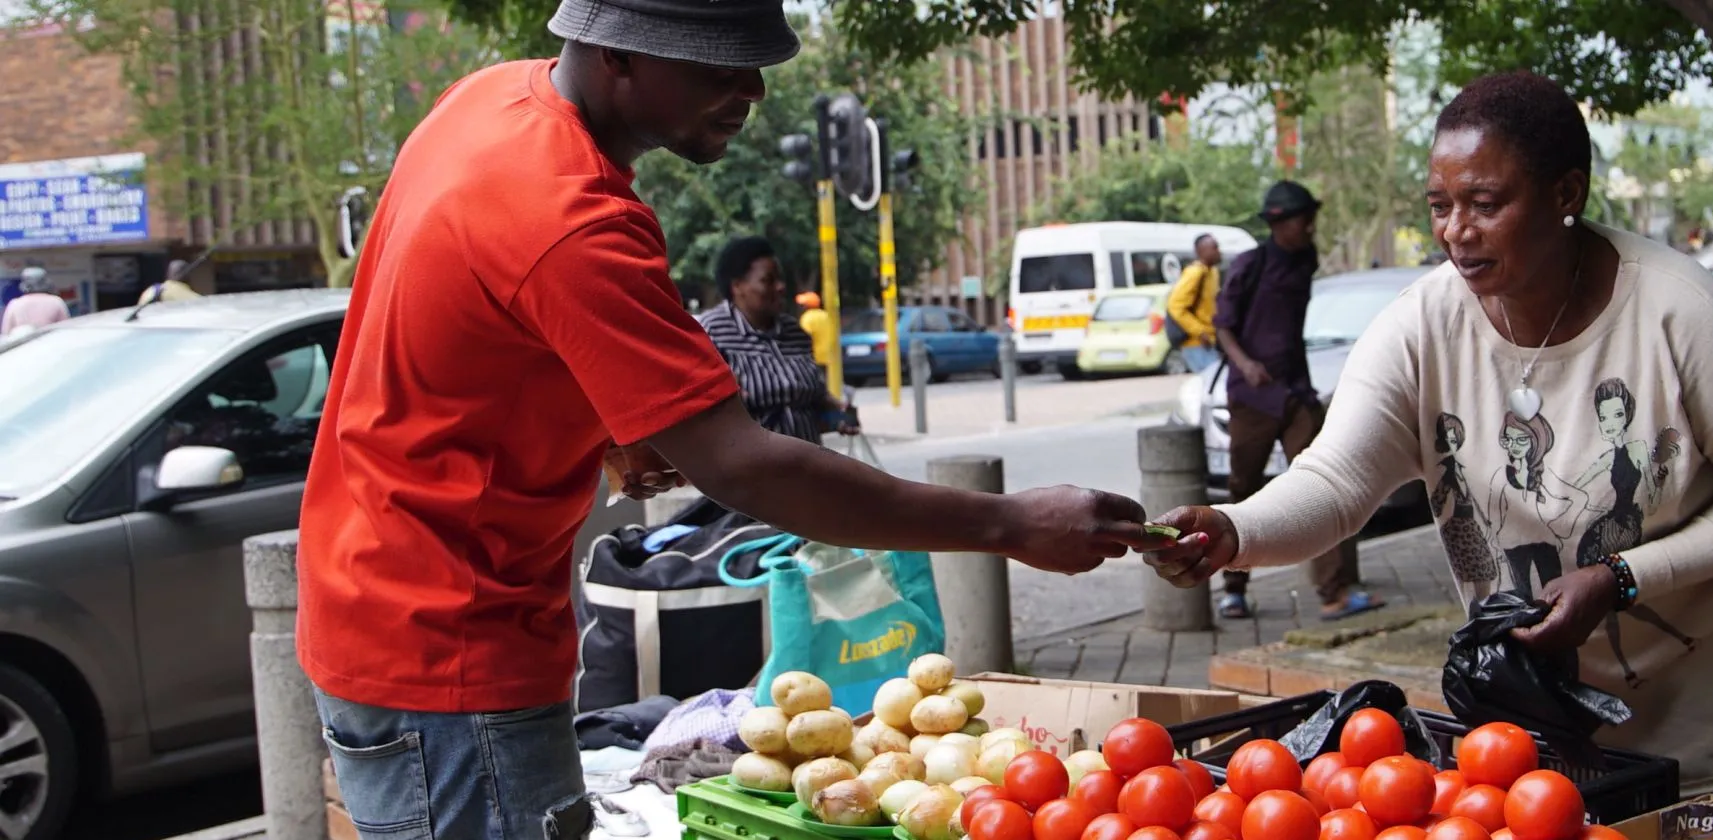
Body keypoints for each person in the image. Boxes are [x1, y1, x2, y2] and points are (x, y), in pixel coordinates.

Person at [294, 2, 1171, 837]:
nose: (750, 90)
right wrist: (1011, 521)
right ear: (618, 54)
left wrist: (606, 423)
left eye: (754, 62)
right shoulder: (569, 216)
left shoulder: (489, 102)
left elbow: (475, 328)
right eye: (717, 62)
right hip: (447, 649)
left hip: (375, 600)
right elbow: (744, 464)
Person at [1144, 71, 1713, 813]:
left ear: (1567, 194)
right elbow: (1338, 480)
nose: (1456, 230)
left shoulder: (1681, 313)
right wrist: (1235, 530)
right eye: (1440, 205)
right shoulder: (1421, 326)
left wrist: (1621, 577)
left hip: (1705, 684)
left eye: (1485, 204)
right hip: (1534, 702)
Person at [1210, 181, 1375, 621]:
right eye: (1304, 221)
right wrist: (1245, 364)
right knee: (1242, 490)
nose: (1310, 229)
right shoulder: (1249, 265)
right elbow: (1223, 325)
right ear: (1280, 223)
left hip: (1297, 392)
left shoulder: (1306, 260)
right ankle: (1234, 589)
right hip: (1253, 398)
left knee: (1322, 484)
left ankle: (1333, 591)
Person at [698, 236, 855, 442]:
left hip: (807, 466)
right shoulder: (711, 333)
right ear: (737, 286)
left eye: (780, 279)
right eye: (768, 280)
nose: (780, 287)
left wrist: (838, 413)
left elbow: (810, 398)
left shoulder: (795, 333)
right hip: (750, 468)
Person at [1167, 234, 1223, 371]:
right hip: (1197, 343)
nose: (1218, 251)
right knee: (1210, 384)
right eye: (1214, 248)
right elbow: (1175, 305)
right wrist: (1200, 332)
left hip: (1211, 340)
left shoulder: (1213, 272)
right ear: (1201, 251)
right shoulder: (1195, 272)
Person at [1, 268, 69, 336]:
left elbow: (6, 332)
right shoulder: (56, 301)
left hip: (24, 345)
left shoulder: (15, 304)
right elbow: (66, 330)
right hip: (51, 344)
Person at [796, 289, 836, 373]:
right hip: (829, 358)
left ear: (807, 306)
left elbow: (803, 338)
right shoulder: (826, 316)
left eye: (803, 304)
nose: (801, 306)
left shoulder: (807, 318)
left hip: (814, 359)